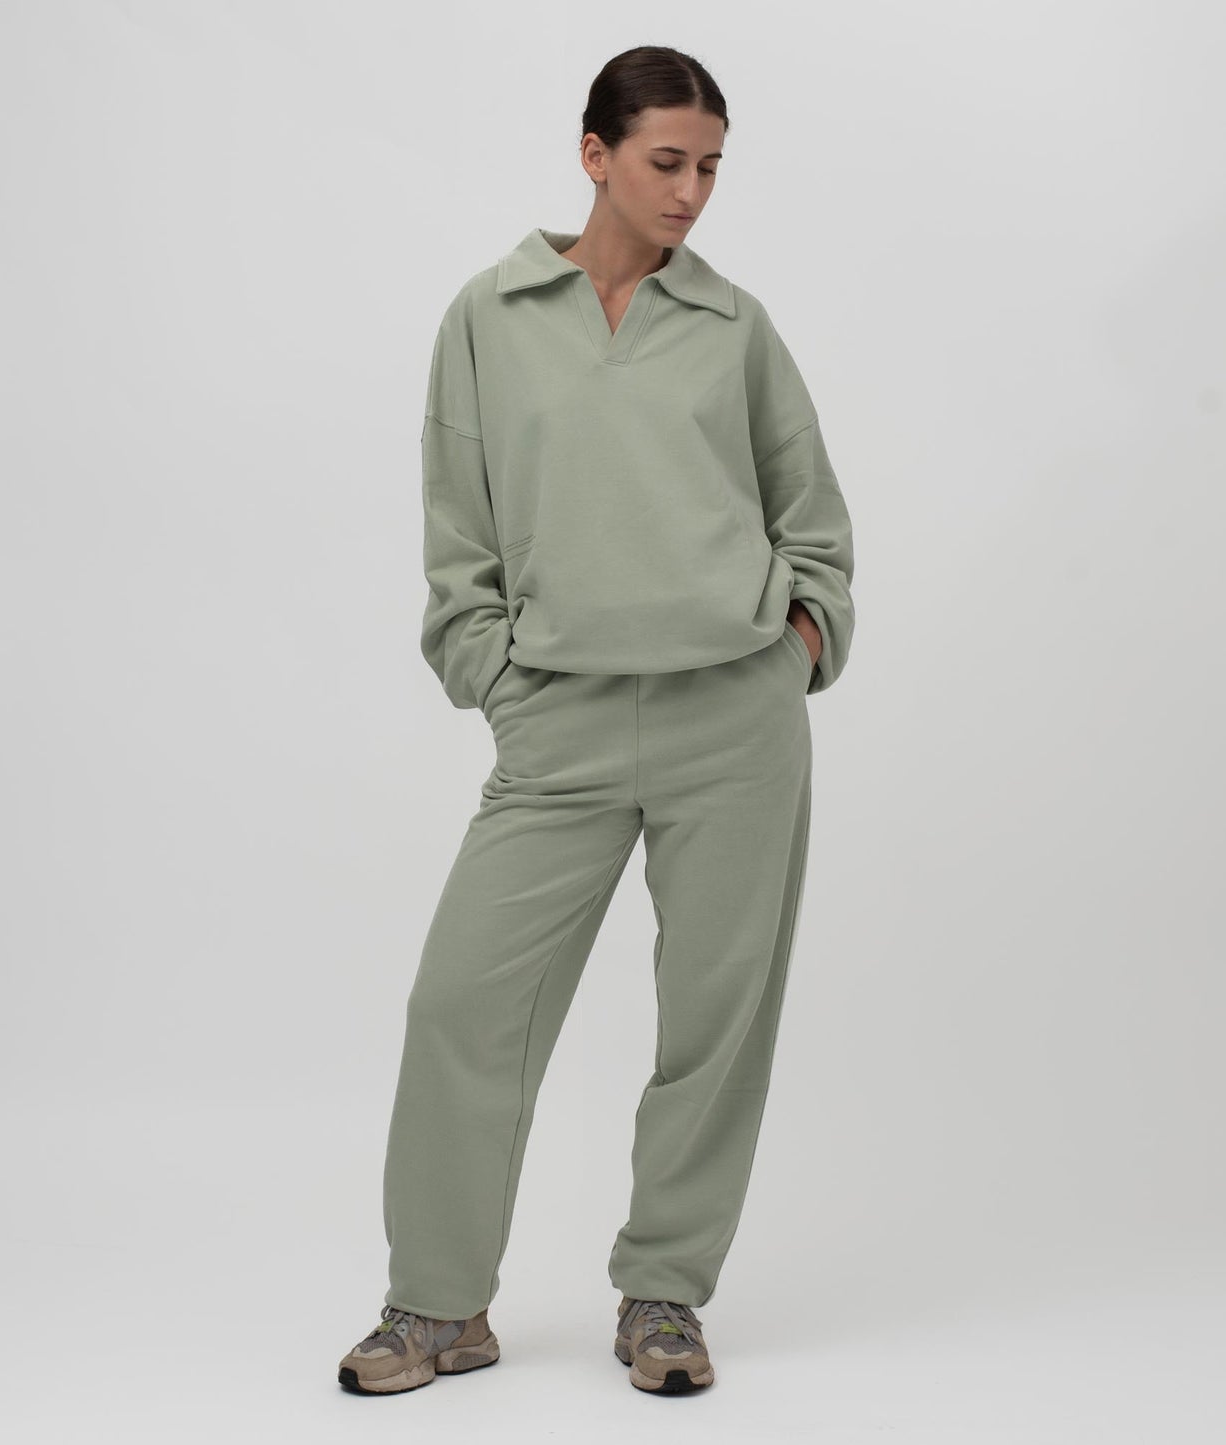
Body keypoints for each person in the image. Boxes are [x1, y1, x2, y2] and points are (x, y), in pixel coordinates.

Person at [339, 44, 856, 1397]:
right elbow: (458, 529)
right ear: (595, 154)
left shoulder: (733, 327)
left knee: (713, 1022)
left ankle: (664, 1294)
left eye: (710, 169)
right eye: (665, 162)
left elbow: (811, 519)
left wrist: (795, 647)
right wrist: (494, 673)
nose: (689, 193)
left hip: (732, 721)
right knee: (463, 1004)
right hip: (558, 728)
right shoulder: (491, 315)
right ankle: (437, 1303)